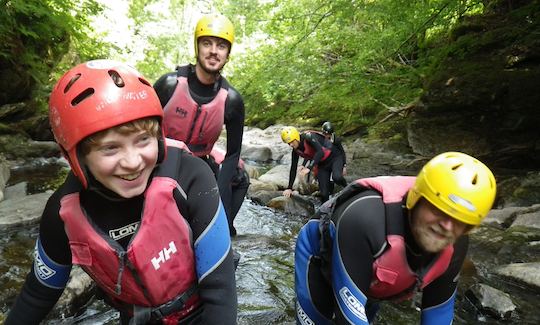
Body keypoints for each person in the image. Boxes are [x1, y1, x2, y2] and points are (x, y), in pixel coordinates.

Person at [5, 60, 237, 325]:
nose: (133, 162)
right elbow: (37, 295)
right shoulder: (63, 214)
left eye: (143, 140)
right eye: (110, 148)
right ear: (75, 156)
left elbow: (220, 290)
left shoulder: (190, 176)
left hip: (202, 314)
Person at [295, 152, 497, 325]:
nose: (447, 226)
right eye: (438, 209)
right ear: (416, 198)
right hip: (320, 255)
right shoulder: (364, 220)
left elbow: (439, 313)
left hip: (374, 274)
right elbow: (348, 318)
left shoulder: (456, 243)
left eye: (461, 219)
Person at [153, 14, 245, 236]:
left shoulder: (232, 100)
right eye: (207, 43)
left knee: (241, 176)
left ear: (228, 54)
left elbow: (233, 154)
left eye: (221, 46)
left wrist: (221, 204)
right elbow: (140, 131)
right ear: (197, 47)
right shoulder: (169, 84)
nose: (214, 51)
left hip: (198, 165)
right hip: (160, 161)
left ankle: (223, 231)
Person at [280, 126, 347, 203]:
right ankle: (327, 212)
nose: (291, 145)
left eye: (292, 142)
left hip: (335, 157)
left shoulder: (308, 137)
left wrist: (309, 167)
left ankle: (348, 187)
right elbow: (293, 168)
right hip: (322, 164)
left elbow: (320, 152)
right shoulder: (295, 151)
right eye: (288, 143)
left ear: (296, 138)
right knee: (324, 194)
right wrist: (289, 188)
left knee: (337, 177)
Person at [321, 121, 347, 193]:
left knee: (337, 177)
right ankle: (331, 192)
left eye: (328, 134)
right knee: (327, 183)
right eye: (325, 134)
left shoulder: (336, 139)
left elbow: (342, 152)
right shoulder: (320, 139)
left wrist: (344, 166)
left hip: (336, 159)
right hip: (326, 161)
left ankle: (346, 186)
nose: (327, 136)